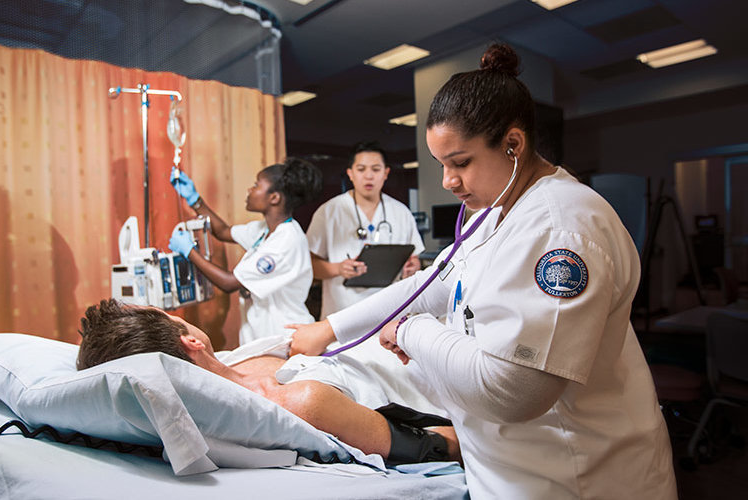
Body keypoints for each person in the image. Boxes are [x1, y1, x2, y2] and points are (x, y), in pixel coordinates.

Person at [290, 44, 677, 499]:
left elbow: (515, 390)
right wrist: (328, 328)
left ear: (513, 145)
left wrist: (413, 333)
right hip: (508, 469)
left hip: (580, 476)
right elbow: (430, 285)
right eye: (441, 165)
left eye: (461, 162)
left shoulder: (561, 228)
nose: (448, 182)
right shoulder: (492, 215)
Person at [77, 299, 460, 466]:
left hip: (429, 338)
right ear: (190, 341)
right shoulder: (299, 401)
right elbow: (442, 447)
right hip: (449, 371)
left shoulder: (231, 362)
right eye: (173, 316)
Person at [169, 158, 320, 345]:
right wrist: (195, 200)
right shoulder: (265, 230)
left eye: (256, 185)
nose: (250, 190)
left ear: (274, 198)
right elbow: (223, 231)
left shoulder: (286, 241)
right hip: (261, 336)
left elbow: (228, 282)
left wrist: (189, 251)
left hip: (284, 336)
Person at [306, 141, 425, 319]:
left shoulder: (401, 212)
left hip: (389, 312)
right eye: (361, 169)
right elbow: (309, 265)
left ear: (386, 173)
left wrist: (414, 266)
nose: (369, 176)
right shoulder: (329, 211)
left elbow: (414, 259)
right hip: (343, 312)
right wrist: (338, 269)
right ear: (350, 174)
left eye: (376, 169)